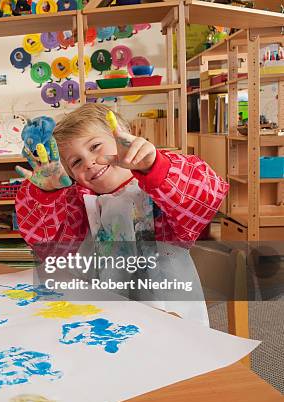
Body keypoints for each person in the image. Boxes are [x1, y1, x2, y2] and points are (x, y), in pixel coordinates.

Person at [15, 104, 229, 324]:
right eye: (76, 162)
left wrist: (155, 166)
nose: (89, 162)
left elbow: (205, 195)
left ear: (126, 136)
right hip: (105, 319)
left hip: (170, 316)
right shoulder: (77, 204)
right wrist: (47, 194)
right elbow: (45, 242)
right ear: (72, 175)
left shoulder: (160, 189)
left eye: (95, 146)